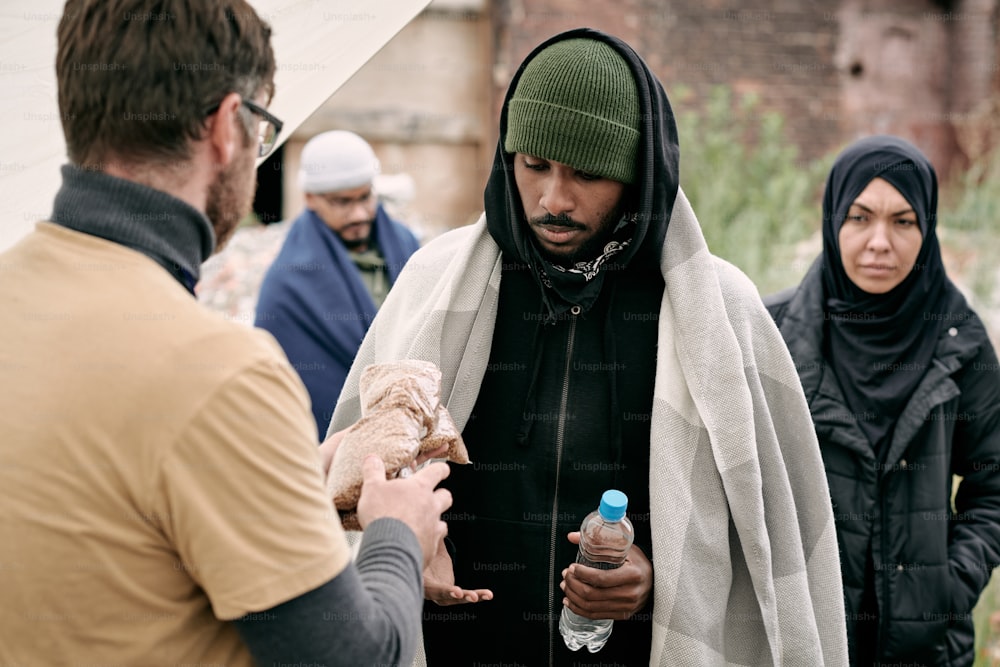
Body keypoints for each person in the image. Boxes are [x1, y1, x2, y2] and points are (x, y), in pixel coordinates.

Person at [330, 28, 849, 665]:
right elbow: (355, 480)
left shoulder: (718, 312)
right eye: (535, 165)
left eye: (588, 173)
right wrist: (408, 546)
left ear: (637, 176)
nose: (553, 199)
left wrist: (656, 578)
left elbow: (767, 539)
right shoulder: (433, 285)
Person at [0, 1, 451, 665]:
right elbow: (359, 657)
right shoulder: (221, 372)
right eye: (264, 127)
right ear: (224, 128)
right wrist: (396, 533)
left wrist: (288, 481)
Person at [765, 135, 1000, 667]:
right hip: (800, 640)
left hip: (924, 648)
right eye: (860, 217)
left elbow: (994, 485)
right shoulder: (770, 336)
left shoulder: (959, 342)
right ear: (832, 222)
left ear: (928, 228)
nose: (879, 242)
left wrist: (947, 585)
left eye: (903, 221)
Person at [255, 130, 421, 438]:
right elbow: (283, 384)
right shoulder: (288, 282)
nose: (359, 213)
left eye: (365, 197)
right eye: (342, 202)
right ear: (310, 199)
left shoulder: (405, 244)